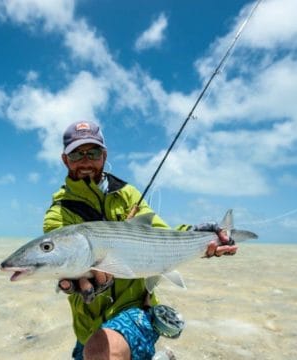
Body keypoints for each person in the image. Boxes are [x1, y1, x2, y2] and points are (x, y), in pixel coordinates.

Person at [43, 120, 237, 360]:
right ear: (65, 159)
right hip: (89, 324)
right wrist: (75, 280)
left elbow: (161, 233)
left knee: (99, 354)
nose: (85, 161)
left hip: (136, 307)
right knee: (94, 349)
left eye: (92, 152)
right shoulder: (58, 212)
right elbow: (61, 260)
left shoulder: (128, 194)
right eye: (76, 154)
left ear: (103, 155)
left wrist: (197, 233)